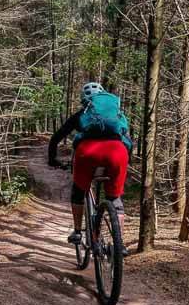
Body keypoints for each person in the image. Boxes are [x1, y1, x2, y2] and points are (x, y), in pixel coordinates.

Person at [48, 82, 133, 254]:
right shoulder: (117, 115)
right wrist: (126, 161)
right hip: (117, 152)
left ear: (84, 101)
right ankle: (119, 244)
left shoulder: (82, 114)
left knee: (78, 191)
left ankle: (78, 232)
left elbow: (56, 137)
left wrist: (52, 159)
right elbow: (128, 141)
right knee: (115, 199)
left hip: (87, 153)